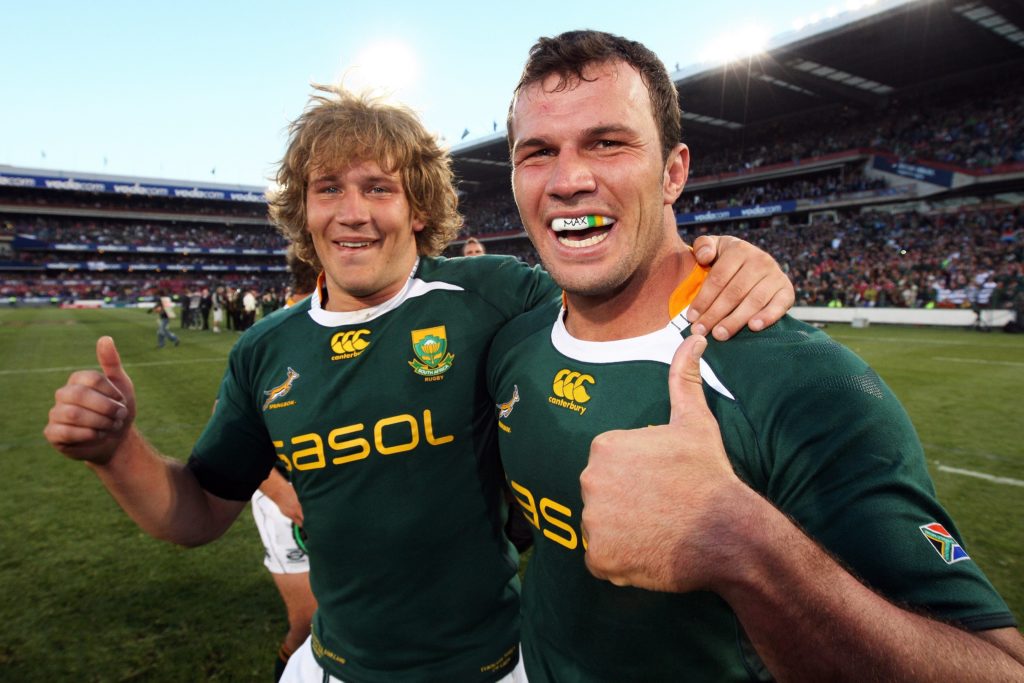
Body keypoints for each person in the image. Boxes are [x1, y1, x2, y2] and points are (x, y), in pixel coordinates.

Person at [43, 84, 793, 683]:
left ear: (420, 204)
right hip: (334, 666)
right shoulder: (266, 349)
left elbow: (619, 292)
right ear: (302, 210)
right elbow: (199, 509)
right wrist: (118, 451)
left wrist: (722, 259)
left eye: (379, 187)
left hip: (495, 664)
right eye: (328, 188)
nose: (353, 212)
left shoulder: (492, 294)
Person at [487, 30, 1024, 682]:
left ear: (674, 171)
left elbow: (1000, 666)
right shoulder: (512, 344)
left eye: (608, 143)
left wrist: (747, 547)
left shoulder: (803, 382)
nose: (570, 179)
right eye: (537, 152)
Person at [254, 245, 321, 680]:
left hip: (339, 498)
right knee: (309, 623)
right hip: (289, 501)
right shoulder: (271, 337)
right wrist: (285, 495)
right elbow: (234, 440)